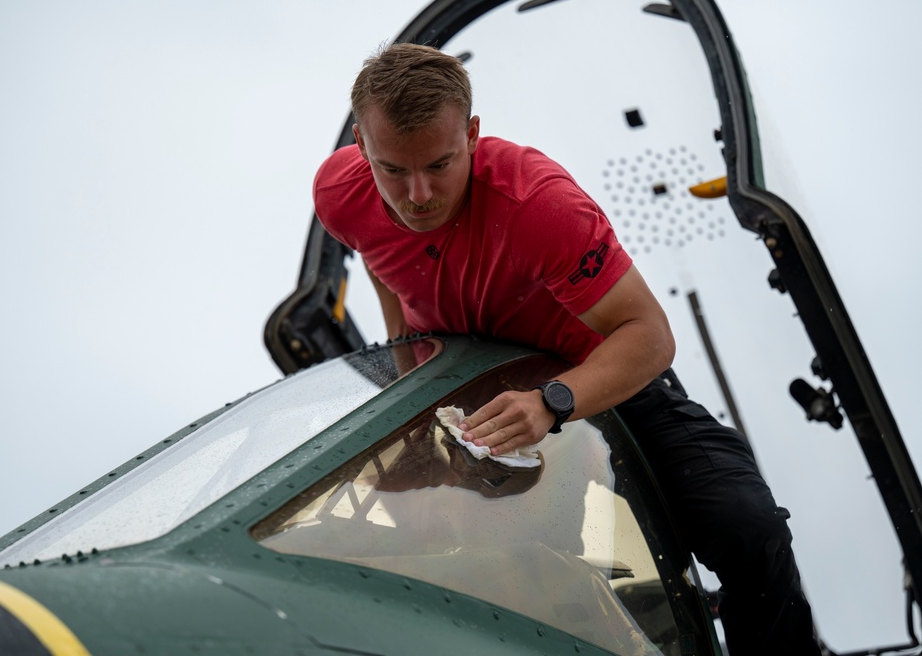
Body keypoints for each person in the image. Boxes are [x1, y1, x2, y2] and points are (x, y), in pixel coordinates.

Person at [313, 42, 820, 655]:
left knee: (747, 525)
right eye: (393, 169)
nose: (417, 194)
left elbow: (650, 336)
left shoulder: (541, 206)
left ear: (472, 135)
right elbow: (381, 263)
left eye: (440, 164)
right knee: (525, 571)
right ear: (362, 149)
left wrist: (554, 401)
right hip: (472, 397)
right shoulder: (341, 194)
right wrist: (408, 389)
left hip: (597, 378)